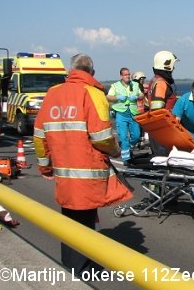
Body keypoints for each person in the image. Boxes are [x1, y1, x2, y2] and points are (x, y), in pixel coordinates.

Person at [33, 53, 132, 272]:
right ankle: (83, 268)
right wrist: (115, 150)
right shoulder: (93, 93)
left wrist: (45, 166)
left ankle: (70, 263)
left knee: (69, 216)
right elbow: (101, 136)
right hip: (87, 170)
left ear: (71, 70)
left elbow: (39, 135)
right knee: (85, 220)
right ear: (92, 72)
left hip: (63, 171)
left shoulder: (52, 93)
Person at [107, 67, 143, 164]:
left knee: (136, 135)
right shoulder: (115, 86)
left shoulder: (135, 84)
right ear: (121, 76)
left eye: (128, 74)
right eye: (125, 75)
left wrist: (136, 96)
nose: (128, 76)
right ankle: (126, 158)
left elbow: (142, 95)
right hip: (121, 113)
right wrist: (117, 98)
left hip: (133, 112)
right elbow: (109, 97)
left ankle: (128, 147)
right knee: (123, 137)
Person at [148, 50, 179, 156]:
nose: (173, 68)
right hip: (162, 130)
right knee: (164, 161)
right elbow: (158, 110)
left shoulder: (155, 80)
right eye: (172, 65)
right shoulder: (161, 83)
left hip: (156, 129)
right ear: (167, 65)